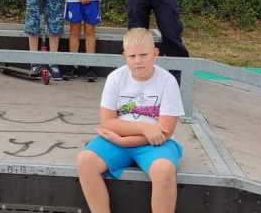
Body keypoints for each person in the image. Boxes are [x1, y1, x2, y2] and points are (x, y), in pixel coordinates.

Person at [76, 28, 185, 213]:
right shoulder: (116, 77)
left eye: (144, 54)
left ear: (155, 53)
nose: (138, 61)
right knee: (85, 161)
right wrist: (144, 128)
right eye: (132, 56)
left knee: (164, 170)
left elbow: (165, 131)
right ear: (124, 55)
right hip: (121, 138)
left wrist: (124, 141)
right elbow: (107, 121)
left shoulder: (167, 81)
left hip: (155, 144)